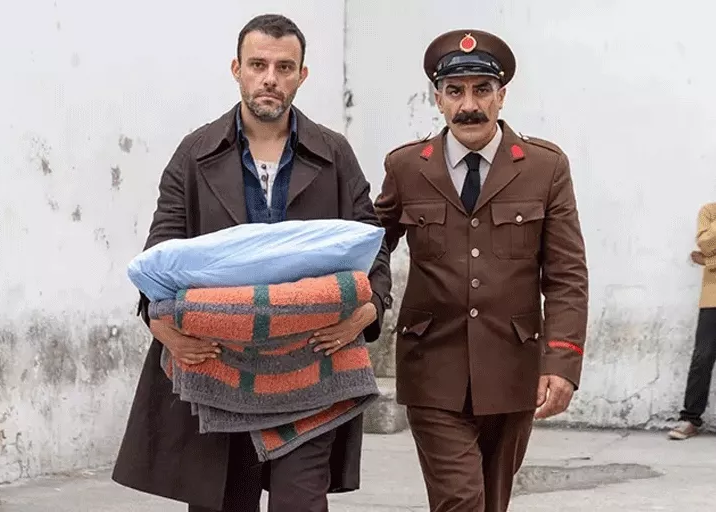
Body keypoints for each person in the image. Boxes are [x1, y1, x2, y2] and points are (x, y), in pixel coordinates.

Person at [111, 14, 392, 512]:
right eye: (258, 65)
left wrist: (368, 312)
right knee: (224, 503)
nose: (270, 78)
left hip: (310, 363)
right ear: (237, 69)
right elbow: (161, 253)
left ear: (302, 75)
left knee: (300, 502)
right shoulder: (195, 153)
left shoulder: (334, 152)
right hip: (220, 364)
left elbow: (373, 244)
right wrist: (161, 324)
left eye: (285, 67)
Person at [373, 29, 589, 512]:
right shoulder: (406, 167)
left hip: (513, 366)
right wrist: (368, 304)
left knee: (492, 501)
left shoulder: (544, 167)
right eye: (455, 91)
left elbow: (566, 274)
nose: (468, 105)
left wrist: (561, 362)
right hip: (431, 366)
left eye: (482, 90)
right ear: (438, 99)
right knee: (460, 499)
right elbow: (372, 249)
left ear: (501, 95)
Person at [668, 202, 716, 440]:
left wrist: (708, 262)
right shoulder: (709, 212)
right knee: (702, 357)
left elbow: (705, 254)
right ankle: (690, 418)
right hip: (712, 299)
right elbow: (706, 244)